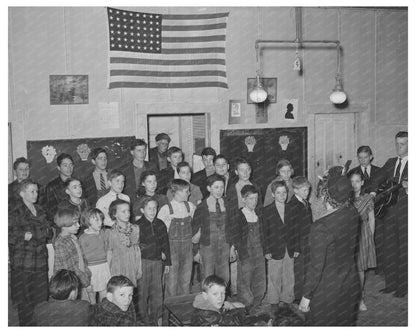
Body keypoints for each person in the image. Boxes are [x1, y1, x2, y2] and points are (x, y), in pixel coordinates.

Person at [299, 167, 361, 326]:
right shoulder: (353, 213)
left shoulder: (320, 227)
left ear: (326, 195)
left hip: (326, 291)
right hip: (350, 284)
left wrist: (306, 296)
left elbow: (315, 267)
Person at [9, 179, 53, 325]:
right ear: (22, 193)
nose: (36, 194)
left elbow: (49, 232)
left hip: (40, 261)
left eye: (37, 191)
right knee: (25, 302)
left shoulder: (40, 209)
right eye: (32, 191)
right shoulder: (14, 212)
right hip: (23, 264)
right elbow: (9, 235)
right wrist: (24, 236)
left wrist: (32, 235)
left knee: (40, 299)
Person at [370, 131, 408, 296]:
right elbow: (375, 178)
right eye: (397, 144)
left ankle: (403, 287)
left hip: (407, 214)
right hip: (389, 213)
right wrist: (372, 192)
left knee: (404, 251)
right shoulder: (391, 162)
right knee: (390, 249)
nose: (398, 147)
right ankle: (391, 284)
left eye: (403, 144)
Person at [225, 157, 263, 296]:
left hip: (254, 230)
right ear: (236, 172)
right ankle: (241, 299)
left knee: (257, 269)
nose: (245, 173)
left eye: (248, 169)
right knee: (242, 269)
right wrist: (232, 243)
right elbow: (230, 217)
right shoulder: (231, 189)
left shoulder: (256, 187)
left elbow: (260, 212)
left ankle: (256, 299)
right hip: (239, 232)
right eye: (242, 170)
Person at [157, 179, 196, 297]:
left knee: (185, 280)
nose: (189, 194)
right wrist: (163, 252)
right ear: (177, 192)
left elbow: (195, 227)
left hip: (188, 249)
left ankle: (183, 307)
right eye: (186, 191)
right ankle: (170, 309)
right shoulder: (165, 209)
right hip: (171, 250)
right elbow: (160, 234)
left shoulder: (190, 207)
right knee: (171, 281)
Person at [230, 184, 266, 309]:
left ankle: (257, 305)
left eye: (256, 199)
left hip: (259, 252)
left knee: (260, 280)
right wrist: (236, 249)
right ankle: (245, 307)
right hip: (245, 252)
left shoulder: (259, 214)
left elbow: (263, 234)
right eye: (251, 199)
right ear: (244, 199)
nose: (254, 202)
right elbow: (236, 235)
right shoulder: (239, 215)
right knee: (245, 281)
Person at [263, 180, 297, 311]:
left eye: (284, 192)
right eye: (278, 193)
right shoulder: (267, 210)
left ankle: (287, 299)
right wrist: (267, 250)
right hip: (274, 248)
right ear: (273, 194)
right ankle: (273, 301)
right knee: (274, 276)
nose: (282, 195)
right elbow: (265, 232)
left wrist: (296, 247)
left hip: (289, 247)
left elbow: (295, 229)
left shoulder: (291, 208)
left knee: (289, 275)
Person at [136, 197, 171, 326]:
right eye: (149, 208)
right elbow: (138, 246)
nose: (152, 211)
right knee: (143, 292)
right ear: (142, 210)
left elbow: (165, 243)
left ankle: (157, 318)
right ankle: (143, 320)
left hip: (157, 263)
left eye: (155, 208)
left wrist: (167, 262)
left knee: (157, 291)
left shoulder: (160, 224)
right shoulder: (138, 225)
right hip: (143, 262)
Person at [192, 174, 232, 283]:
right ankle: (206, 299)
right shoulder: (202, 207)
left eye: (222, 187)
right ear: (209, 188)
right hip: (207, 245)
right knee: (207, 276)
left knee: (224, 276)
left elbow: (232, 227)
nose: (219, 190)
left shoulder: (227, 204)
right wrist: (195, 251)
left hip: (224, 244)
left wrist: (232, 247)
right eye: (216, 187)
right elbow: (195, 231)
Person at [349, 170, 377, 311]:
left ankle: (360, 298)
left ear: (362, 182)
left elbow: (371, 219)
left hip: (362, 235)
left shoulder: (367, 198)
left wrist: (370, 237)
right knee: (348, 268)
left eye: (357, 181)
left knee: (360, 269)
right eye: (352, 181)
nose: (354, 184)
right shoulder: (345, 199)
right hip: (347, 235)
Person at [53, 208, 92, 299]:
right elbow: (70, 270)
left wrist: (86, 274)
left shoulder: (72, 237)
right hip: (70, 286)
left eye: (78, 222)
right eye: (75, 224)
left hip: (80, 280)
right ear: (64, 225)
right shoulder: (61, 243)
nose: (79, 225)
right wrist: (85, 281)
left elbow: (81, 259)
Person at [286, 176, 313, 302]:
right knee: (299, 272)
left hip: (307, 241)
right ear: (295, 190)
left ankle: (306, 295)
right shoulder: (292, 205)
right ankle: (298, 298)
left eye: (307, 190)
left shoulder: (306, 203)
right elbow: (292, 229)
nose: (306, 193)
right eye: (303, 190)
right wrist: (295, 247)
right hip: (299, 244)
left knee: (307, 269)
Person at [106, 199, 142, 288]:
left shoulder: (135, 229)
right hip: (117, 267)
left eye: (128, 211)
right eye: (123, 211)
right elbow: (109, 252)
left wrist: (139, 268)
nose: (127, 214)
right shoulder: (110, 232)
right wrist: (108, 271)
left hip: (132, 266)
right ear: (115, 214)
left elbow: (137, 250)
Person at [79, 208, 112, 304]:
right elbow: (82, 259)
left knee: (104, 294)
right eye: (96, 220)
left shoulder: (104, 233)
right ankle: (92, 314)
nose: (100, 223)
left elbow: (108, 249)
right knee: (91, 296)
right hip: (91, 270)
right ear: (87, 221)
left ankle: (102, 314)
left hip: (104, 267)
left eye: (101, 219)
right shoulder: (83, 238)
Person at [44, 153, 74, 221]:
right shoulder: (51, 186)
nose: (69, 168)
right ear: (58, 167)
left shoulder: (78, 183)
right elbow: (50, 211)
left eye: (71, 165)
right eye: (65, 165)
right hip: (61, 223)